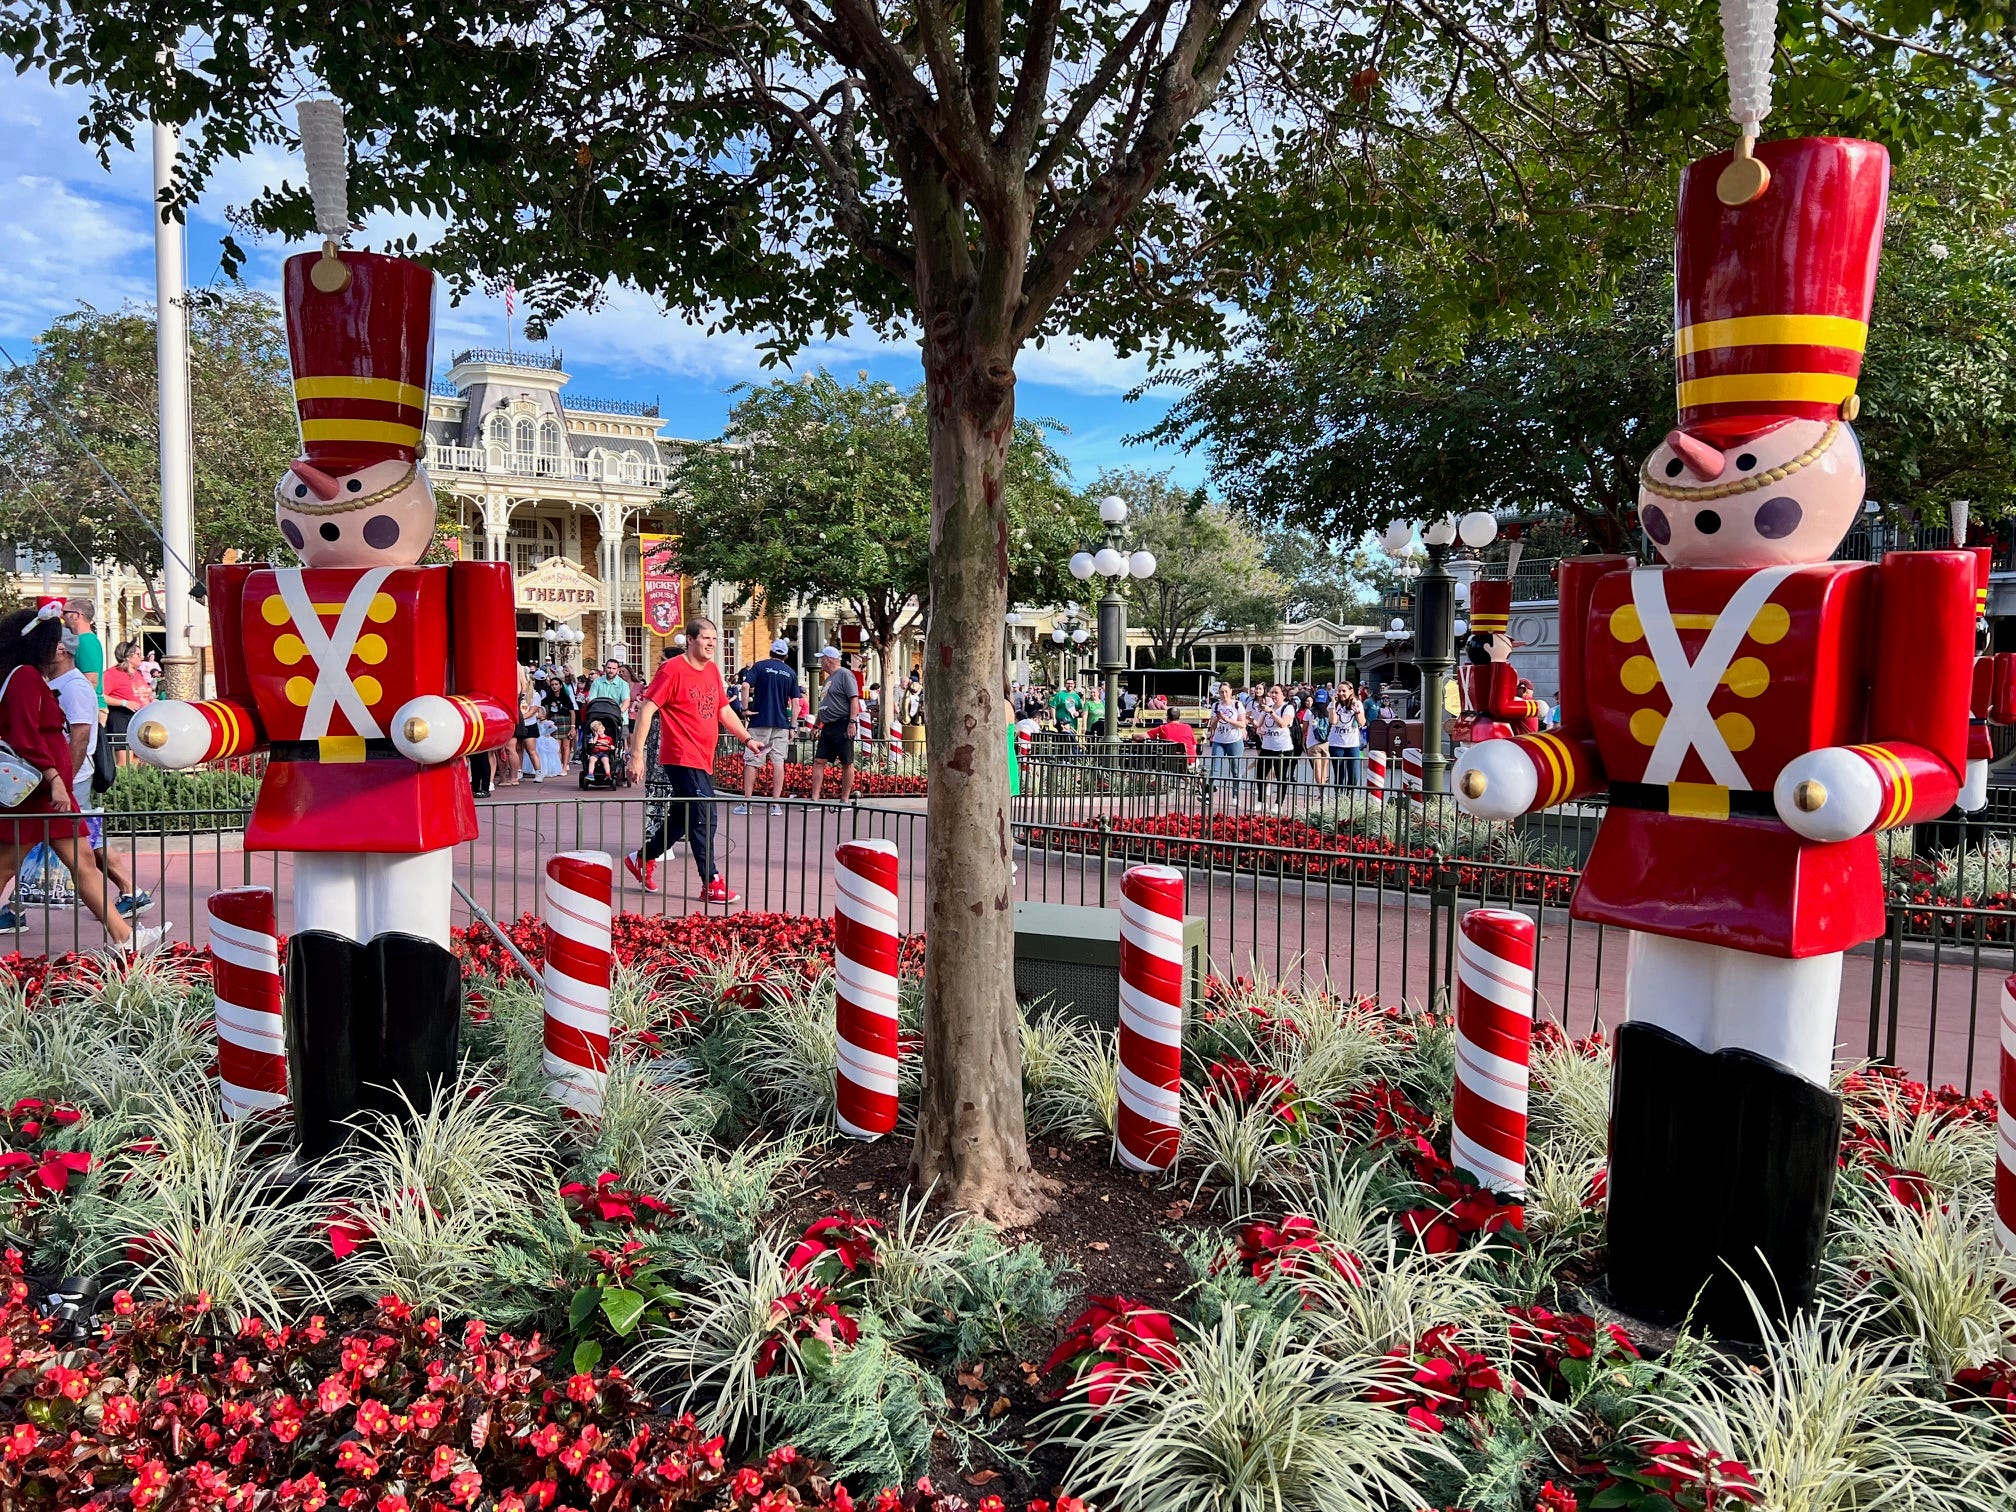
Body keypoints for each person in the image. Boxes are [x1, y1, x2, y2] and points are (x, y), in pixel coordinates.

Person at [0, 606, 161, 950]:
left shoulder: (26, 676)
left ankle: (125, 937)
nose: (59, 646)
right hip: (39, 792)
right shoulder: (24, 676)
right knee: (7, 866)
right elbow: (25, 736)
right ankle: (125, 937)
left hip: (45, 792)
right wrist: (56, 779)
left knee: (82, 861)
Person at [624, 618, 761, 904]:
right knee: (704, 814)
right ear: (690, 639)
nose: (711, 644)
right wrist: (636, 755)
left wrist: (747, 739)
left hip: (703, 757)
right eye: (706, 638)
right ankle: (711, 882)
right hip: (681, 755)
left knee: (682, 818)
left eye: (714, 639)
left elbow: (723, 711)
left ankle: (642, 857)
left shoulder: (712, 670)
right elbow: (647, 709)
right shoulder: (672, 669)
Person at [49, 630, 146, 918]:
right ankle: (130, 893)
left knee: (82, 841)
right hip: (58, 777)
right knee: (83, 839)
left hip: (73, 777)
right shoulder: (54, 682)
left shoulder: (75, 687)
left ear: (60, 650)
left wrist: (63, 781)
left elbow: (80, 737)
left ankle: (126, 900)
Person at [736, 637, 798, 815]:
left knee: (752, 761)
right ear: (785, 656)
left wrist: (745, 709)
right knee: (778, 762)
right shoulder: (790, 673)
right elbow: (795, 702)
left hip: (759, 720)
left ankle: (747, 803)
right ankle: (776, 805)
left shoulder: (760, 666)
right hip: (781, 723)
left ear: (771, 652)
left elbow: (745, 686)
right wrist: (793, 726)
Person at [809, 646, 861, 801]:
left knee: (846, 762)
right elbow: (824, 704)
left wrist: (852, 722)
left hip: (842, 723)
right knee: (819, 760)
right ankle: (814, 798)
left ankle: (845, 798)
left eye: (822, 658)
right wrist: (816, 725)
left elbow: (854, 699)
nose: (820, 661)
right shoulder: (828, 680)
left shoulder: (845, 674)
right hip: (828, 726)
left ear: (829, 659)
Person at [103, 641, 149, 768]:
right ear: (128, 657)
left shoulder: (137, 674)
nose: (142, 657)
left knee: (144, 759)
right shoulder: (112, 674)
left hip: (140, 719)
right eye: (138, 654)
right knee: (125, 762)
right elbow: (100, 696)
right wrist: (124, 703)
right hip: (122, 718)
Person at [1255, 685, 1296, 811]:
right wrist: (1251, 721)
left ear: (1283, 695)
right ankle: (1261, 801)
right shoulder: (1268, 707)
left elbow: (1283, 724)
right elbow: (1258, 724)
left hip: (1282, 747)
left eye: (1276, 693)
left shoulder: (1288, 707)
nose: (1273, 695)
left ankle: (1278, 804)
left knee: (1280, 776)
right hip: (1267, 746)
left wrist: (1271, 712)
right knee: (1260, 774)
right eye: (1272, 692)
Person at [61, 600, 105, 710]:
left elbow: (91, 680)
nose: (62, 616)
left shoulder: (86, 641)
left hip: (87, 707)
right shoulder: (84, 640)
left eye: (65, 612)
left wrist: (78, 709)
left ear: (77, 615)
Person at [1205, 681, 1247, 790]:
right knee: (1215, 767)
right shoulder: (1216, 705)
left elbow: (1242, 724)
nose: (1224, 694)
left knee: (1235, 769)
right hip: (1219, 740)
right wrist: (1217, 719)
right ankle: (1211, 791)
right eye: (1221, 692)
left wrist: (1227, 719)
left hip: (1234, 740)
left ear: (1231, 691)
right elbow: (1212, 726)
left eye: (1226, 691)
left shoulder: (1237, 704)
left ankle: (1235, 795)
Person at [1330, 685, 1366, 787]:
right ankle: (1339, 795)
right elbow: (1333, 721)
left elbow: (1362, 723)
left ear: (1351, 691)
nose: (1341, 693)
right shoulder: (1334, 704)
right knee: (1339, 774)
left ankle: (1350, 794)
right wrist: (1333, 704)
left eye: (1344, 691)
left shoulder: (1357, 703)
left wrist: (1356, 708)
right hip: (1336, 743)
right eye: (1339, 691)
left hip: (1352, 743)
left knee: (1354, 774)